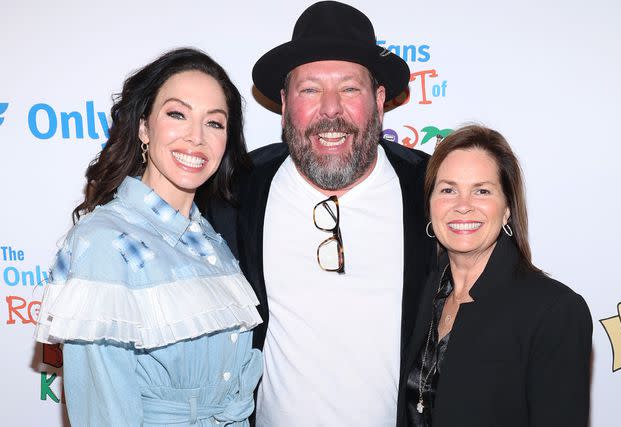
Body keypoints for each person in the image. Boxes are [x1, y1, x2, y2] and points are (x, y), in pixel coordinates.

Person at [205, 2, 436, 425]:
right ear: (284, 102)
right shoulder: (235, 192)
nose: (331, 110)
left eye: (349, 89)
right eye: (310, 89)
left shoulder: (431, 191)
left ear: (379, 100)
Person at [34, 48, 263, 426]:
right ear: (144, 127)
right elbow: (103, 415)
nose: (196, 138)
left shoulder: (212, 242)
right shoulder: (105, 243)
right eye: (177, 114)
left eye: (215, 123)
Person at [400, 125, 592, 426]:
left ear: (506, 210)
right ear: (430, 205)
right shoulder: (426, 293)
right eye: (448, 190)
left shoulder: (554, 311)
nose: (463, 206)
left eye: (482, 191)